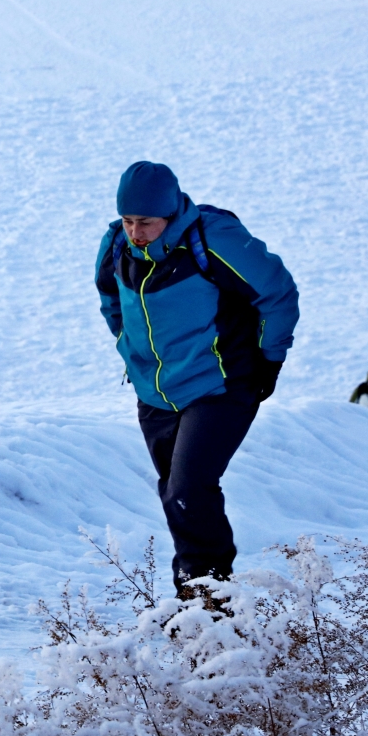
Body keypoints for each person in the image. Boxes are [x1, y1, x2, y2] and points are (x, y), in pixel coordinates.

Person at [94, 161, 298, 601]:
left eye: (145, 222)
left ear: (169, 213)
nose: (135, 232)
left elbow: (278, 292)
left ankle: (211, 597)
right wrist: (129, 349)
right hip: (156, 391)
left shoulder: (212, 240)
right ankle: (195, 596)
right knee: (175, 493)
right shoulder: (115, 244)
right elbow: (111, 298)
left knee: (189, 487)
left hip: (221, 384)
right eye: (129, 221)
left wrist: (270, 359)